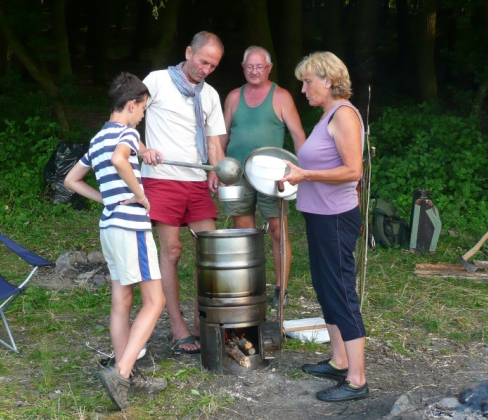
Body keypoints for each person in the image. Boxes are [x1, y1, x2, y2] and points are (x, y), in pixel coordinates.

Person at [64, 72, 168, 410]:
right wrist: (141, 195)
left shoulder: (98, 138)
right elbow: (119, 159)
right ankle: (121, 373)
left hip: (109, 225)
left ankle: (127, 374)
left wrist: (106, 199)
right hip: (131, 227)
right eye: (143, 109)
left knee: (121, 300)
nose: (142, 116)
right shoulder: (127, 132)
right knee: (155, 301)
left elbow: (71, 180)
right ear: (131, 104)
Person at [282, 52, 369, 402]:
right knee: (324, 286)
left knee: (341, 291)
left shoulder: (344, 115)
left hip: (335, 218)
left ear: (328, 81)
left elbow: (353, 171)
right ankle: (339, 360)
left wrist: (305, 175)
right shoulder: (327, 116)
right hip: (319, 216)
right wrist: (297, 175)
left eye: (308, 82)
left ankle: (357, 380)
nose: (303, 89)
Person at [140, 31, 227, 354]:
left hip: (195, 180)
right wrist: (142, 149)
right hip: (162, 178)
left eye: (213, 66)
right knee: (172, 251)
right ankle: (178, 328)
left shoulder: (210, 95)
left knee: (211, 253)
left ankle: (203, 321)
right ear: (189, 52)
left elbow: (214, 141)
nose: (206, 70)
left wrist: (216, 169)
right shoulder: (158, 81)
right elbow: (125, 118)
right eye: (203, 62)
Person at [219, 46, 306, 307]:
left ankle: (281, 288)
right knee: (243, 232)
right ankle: (250, 285)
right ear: (243, 68)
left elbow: (298, 134)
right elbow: (222, 135)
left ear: (269, 68)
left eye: (260, 66)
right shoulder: (234, 97)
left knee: (278, 230)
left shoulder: (281, 96)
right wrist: (217, 168)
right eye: (250, 66)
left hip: (272, 174)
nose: (254, 71)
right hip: (236, 173)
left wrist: (300, 169)